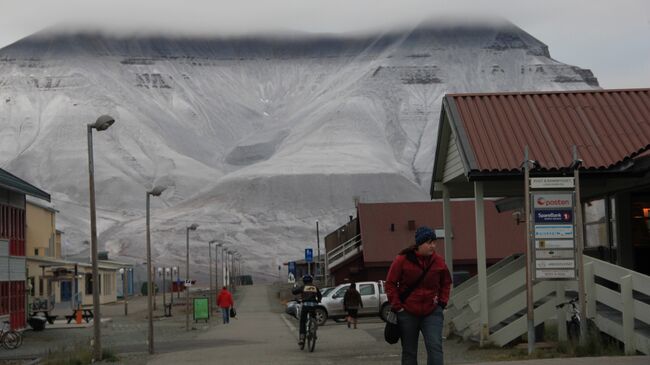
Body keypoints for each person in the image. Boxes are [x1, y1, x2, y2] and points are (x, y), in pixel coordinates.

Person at [385, 226, 452, 365]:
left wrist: (441, 303)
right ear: (419, 244)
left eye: (434, 242)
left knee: (435, 348)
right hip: (408, 312)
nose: (433, 246)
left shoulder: (438, 261)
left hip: (432, 312)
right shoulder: (402, 260)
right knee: (409, 352)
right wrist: (398, 307)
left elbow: (446, 282)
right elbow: (390, 284)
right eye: (429, 242)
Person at [291, 274, 322, 346]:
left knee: (302, 321)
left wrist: (294, 286)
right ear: (311, 280)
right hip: (314, 306)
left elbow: (294, 292)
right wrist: (319, 300)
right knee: (313, 317)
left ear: (304, 281)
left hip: (305, 305)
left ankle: (302, 338)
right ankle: (314, 331)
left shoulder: (303, 287)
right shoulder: (315, 287)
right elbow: (320, 296)